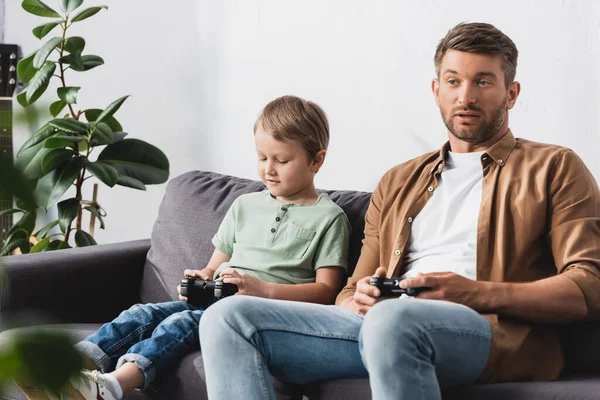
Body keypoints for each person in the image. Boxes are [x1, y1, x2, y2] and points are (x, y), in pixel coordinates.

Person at [199, 22, 600, 400]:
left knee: (393, 322)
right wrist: (361, 299)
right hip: (381, 327)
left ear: (510, 94)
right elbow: (348, 292)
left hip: (491, 334)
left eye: (483, 81)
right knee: (228, 318)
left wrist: (475, 293)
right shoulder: (397, 181)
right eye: (453, 81)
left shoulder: (555, 167)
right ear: (436, 89)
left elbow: (587, 286)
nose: (465, 96)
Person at [18, 95, 351, 400]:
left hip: (260, 314)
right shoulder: (245, 205)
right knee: (142, 313)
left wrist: (263, 289)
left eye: (281, 160)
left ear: (316, 161)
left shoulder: (329, 217)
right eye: (262, 157)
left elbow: (327, 291)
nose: (268, 168)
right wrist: (201, 277)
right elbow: (216, 263)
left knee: (178, 326)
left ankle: (112, 386)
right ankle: (65, 373)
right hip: (215, 299)